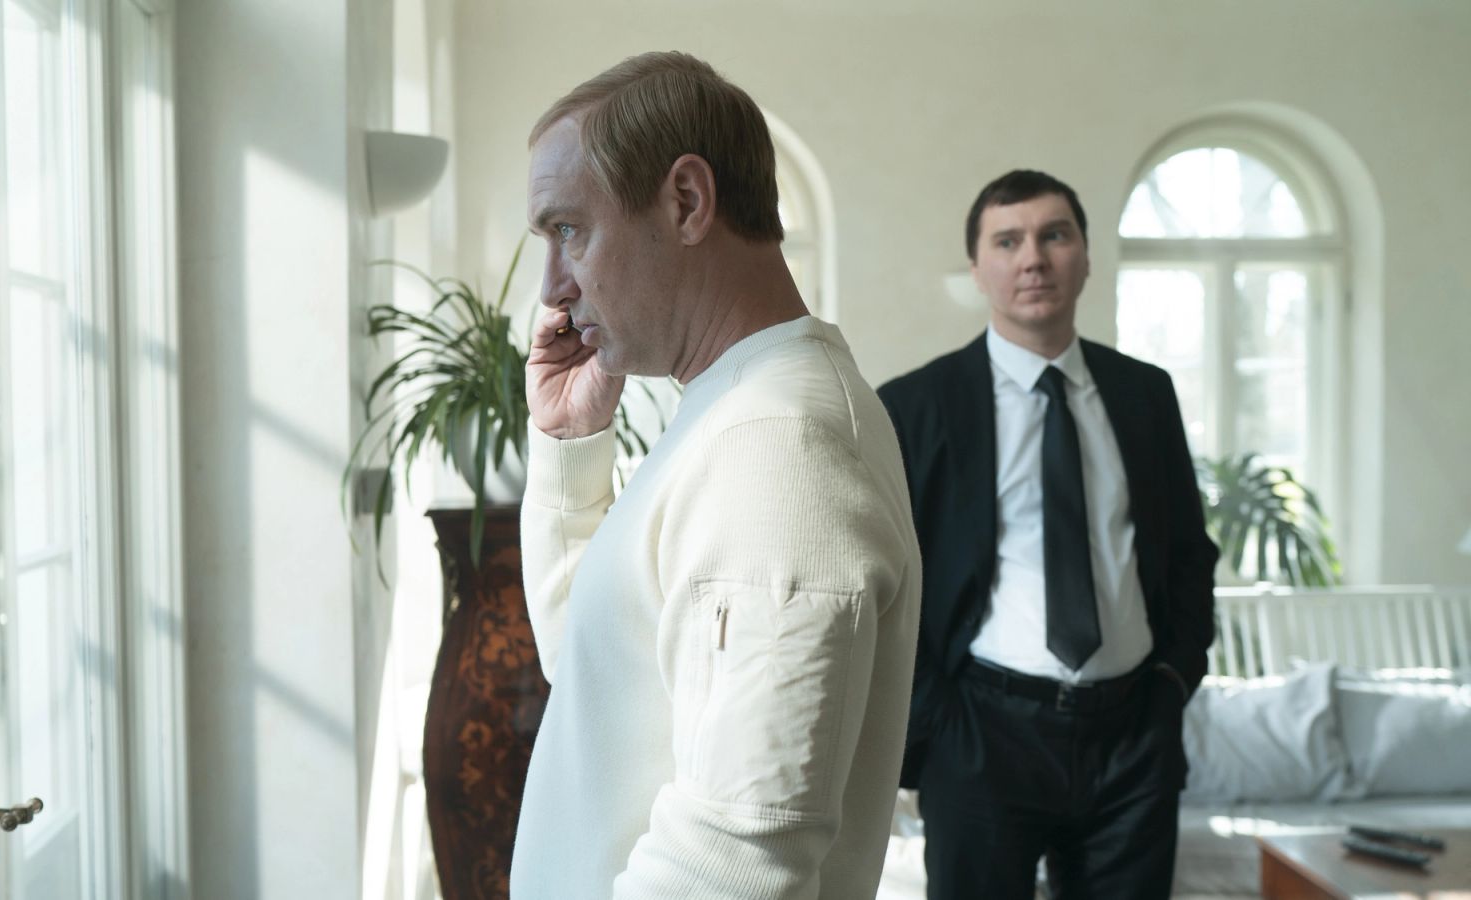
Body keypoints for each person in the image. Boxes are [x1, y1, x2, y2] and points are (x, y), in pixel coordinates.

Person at [512, 51, 921, 899]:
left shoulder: (777, 443)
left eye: (569, 230)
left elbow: (737, 858)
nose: (552, 288)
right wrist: (571, 443)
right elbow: (594, 673)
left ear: (687, 202)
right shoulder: (732, 409)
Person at [877, 169, 1218, 899]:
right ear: (977, 269)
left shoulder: (1145, 394)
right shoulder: (914, 406)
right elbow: (886, 579)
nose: (1033, 258)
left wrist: (1173, 682)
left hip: (1133, 737)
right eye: (1008, 241)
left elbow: (1190, 551)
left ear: (1086, 257)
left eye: (1054, 236)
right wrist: (936, 722)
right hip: (982, 736)